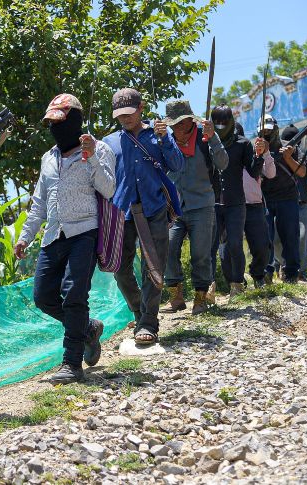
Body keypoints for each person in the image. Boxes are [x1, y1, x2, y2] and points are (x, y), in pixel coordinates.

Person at [14, 94, 116, 384]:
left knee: (73, 294)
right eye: (51, 124)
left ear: (75, 121)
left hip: (85, 231)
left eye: (60, 122)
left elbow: (109, 189)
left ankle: (72, 364)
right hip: (54, 234)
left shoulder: (100, 150)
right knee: (43, 296)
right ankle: (88, 328)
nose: (55, 129)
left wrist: (92, 156)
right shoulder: (49, 157)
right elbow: (39, 203)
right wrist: (25, 236)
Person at [102, 88, 185, 344]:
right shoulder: (107, 142)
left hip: (154, 210)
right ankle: (140, 311)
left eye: (129, 113)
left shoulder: (159, 134)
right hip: (120, 212)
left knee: (154, 267)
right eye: (120, 115)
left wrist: (166, 141)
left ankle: (149, 322)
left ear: (141, 108)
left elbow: (177, 166)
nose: (125, 119)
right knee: (120, 269)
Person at [161, 100, 227, 314]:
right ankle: (176, 295)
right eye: (174, 124)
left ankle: (200, 296)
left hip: (202, 205)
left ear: (191, 120)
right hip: (174, 208)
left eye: (181, 123)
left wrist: (214, 139)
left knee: (200, 253)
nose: (178, 128)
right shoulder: (166, 141)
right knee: (168, 248)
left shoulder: (204, 138)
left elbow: (223, 163)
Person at [207, 106, 263, 298]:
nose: (221, 127)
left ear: (231, 121)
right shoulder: (206, 142)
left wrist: (260, 155)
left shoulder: (243, 144)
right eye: (217, 123)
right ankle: (208, 289)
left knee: (235, 244)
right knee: (210, 246)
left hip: (236, 203)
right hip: (212, 203)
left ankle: (237, 285)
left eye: (225, 122)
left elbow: (254, 172)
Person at [222, 121, 276, 289]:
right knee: (229, 247)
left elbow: (271, 173)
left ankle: (258, 275)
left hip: (253, 206)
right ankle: (236, 283)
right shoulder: (220, 154)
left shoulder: (254, 154)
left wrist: (265, 153)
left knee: (261, 245)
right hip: (229, 206)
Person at [272, 125, 307, 282]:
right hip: (281, 202)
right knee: (275, 238)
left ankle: (300, 272)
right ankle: (283, 264)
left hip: (301, 203)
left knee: (301, 239)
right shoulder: (276, 157)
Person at [258, 114, 305, 284]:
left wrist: (288, 158)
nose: (267, 134)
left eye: (269, 131)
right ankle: (266, 272)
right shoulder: (255, 149)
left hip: (288, 197)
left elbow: (301, 172)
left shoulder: (289, 147)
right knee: (264, 238)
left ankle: (291, 273)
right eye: (263, 132)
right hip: (266, 199)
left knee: (290, 236)